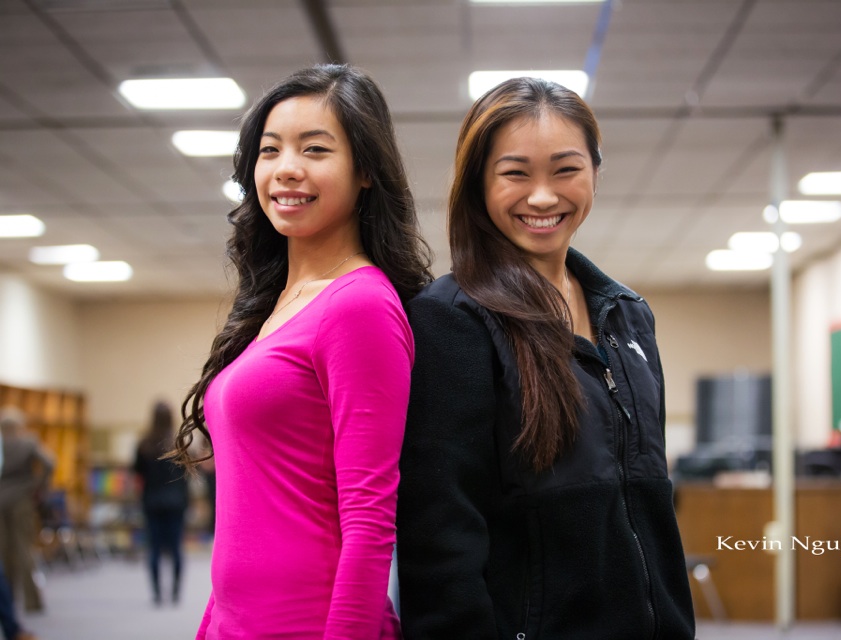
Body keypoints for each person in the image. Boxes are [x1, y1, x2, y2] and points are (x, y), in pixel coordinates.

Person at [396, 77, 696, 638]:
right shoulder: (451, 320)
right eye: (515, 173)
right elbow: (438, 537)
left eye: (565, 170)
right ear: (479, 185)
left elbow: (649, 500)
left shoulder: (628, 315)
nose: (542, 196)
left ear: (596, 174)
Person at [171, 63, 432, 639]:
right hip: (237, 623)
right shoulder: (276, 304)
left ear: (365, 169)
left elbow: (369, 519)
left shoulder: (359, 305)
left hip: (314, 625)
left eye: (315, 149)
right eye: (270, 150)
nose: (287, 169)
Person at [133, 400, 189, 605]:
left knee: (154, 548)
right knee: (175, 549)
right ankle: (175, 592)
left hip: (152, 502)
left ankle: (157, 593)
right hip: (176, 503)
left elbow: (137, 473)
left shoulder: (144, 444)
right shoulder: (179, 443)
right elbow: (187, 475)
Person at [0, 407, 53, 614]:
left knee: (4, 552)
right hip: (22, 499)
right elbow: (50, 462)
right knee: (24, 549)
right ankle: (32, 601)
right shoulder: (28, 442)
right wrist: (38, 485)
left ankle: (7, 600)